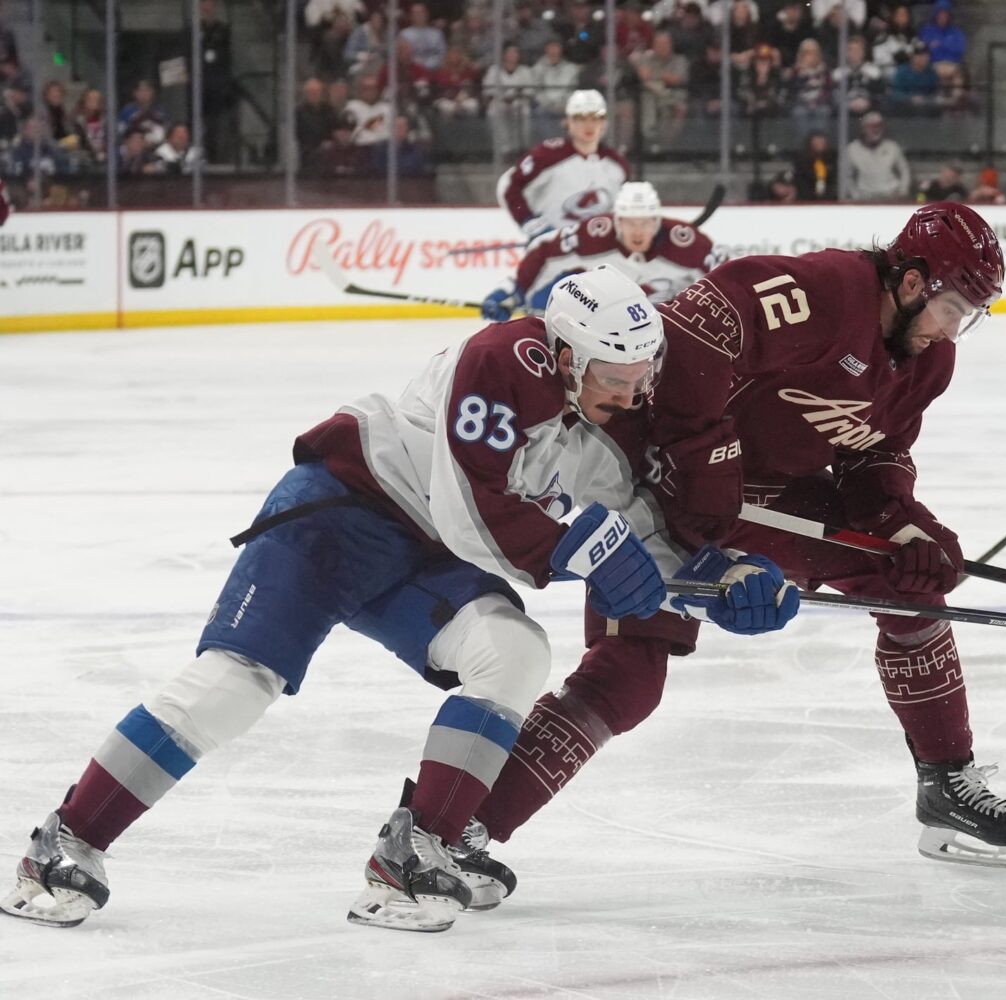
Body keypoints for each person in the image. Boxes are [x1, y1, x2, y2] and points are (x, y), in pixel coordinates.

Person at [0, 265, 797, 932]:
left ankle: (412, 855)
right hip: (342, 509)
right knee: (235, 684)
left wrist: (718, 580)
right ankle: (62, 844)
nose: (634, 396)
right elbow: (472, 509)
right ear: (562, 355)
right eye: (617, 379)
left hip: (421, 554)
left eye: (642, 378)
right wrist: (586, 551)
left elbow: (643, 542)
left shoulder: (600, 433)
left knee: (512, 652)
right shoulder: (504, 359)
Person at [463, 202, 1006, 874]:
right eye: (955, 309)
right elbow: (697, 327)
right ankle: (462, 824)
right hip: (657, 483)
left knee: (905, 583)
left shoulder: (926, 362)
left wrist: (903, 525)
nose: (953, 330)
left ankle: (946, 781)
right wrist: (702, 460)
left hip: (760, 499)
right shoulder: (829, 292)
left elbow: (871, 457)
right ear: (912, 283)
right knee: (628, 677)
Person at [481, 180, 724, 318]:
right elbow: (543, 251)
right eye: (630, 222)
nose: (637, 231)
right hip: (610, 330)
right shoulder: (594, 235)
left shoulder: (687, 244)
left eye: (645, 222)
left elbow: (727, 277)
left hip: (669, 328)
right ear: (617, 222)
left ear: (656, 222)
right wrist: (512, 292)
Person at [496, 89, 631, 243]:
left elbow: (621, 210)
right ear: (568, 122)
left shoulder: (617, 165)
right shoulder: (547, 155)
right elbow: (509, 185)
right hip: (551, 248)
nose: (589, 125)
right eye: (581, 118)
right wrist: (529, 221)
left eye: (596, 118)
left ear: (604, 122)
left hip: (597, 252)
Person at [845, 111, 911, 201]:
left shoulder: (892, 147)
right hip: (865, 198)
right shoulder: (852, 149)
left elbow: (904, 171)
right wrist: (855, 195)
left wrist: (903, 190)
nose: (875, 130)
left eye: (878, 126)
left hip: (891, 196)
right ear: (863, 129)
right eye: (871, 127)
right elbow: (846, 176)